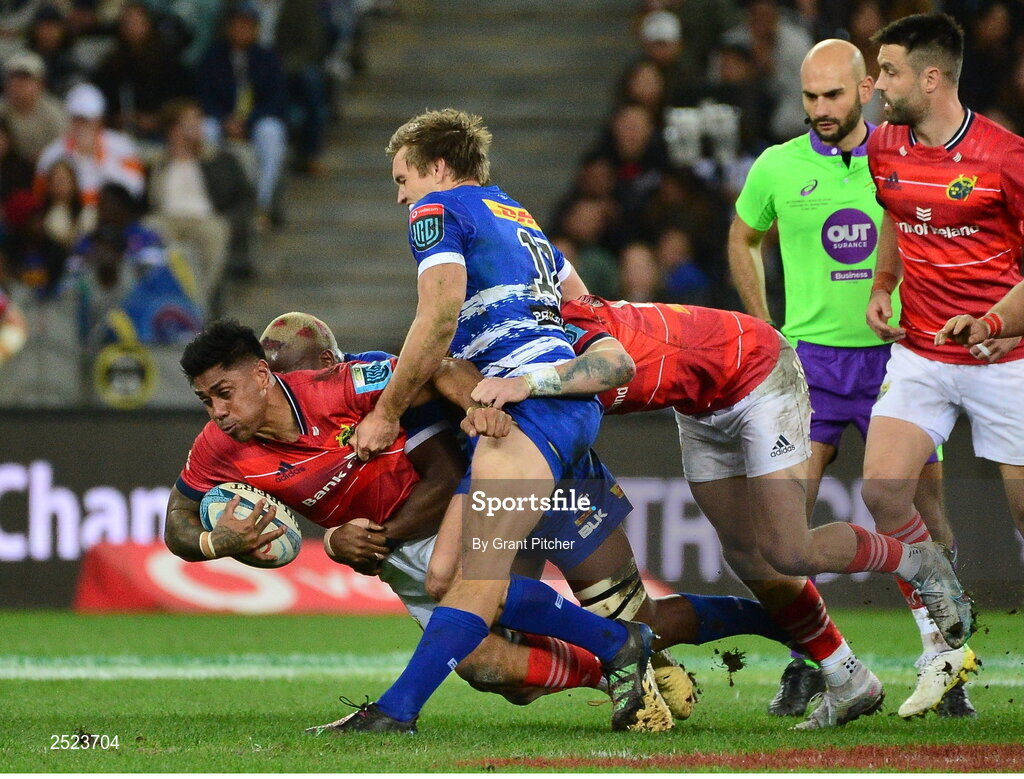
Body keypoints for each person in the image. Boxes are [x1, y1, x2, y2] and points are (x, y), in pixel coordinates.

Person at [472, 294, 975, 729]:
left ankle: (918, 561)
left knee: (788, 548)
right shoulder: (527, 339)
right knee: (749, 556)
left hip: (756, 367)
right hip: (700, 407)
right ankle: (847, 678)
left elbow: (616, 366)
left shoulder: (563, 340)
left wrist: (526, 385)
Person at [338, 109, 673, 734]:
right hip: (553, 403)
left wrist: (386, 412)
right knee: (444, 577)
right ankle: (618, 641)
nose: (400, 193)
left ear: (438, 167)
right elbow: (582, 307)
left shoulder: (436, 212)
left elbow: (436, 320)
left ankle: (396, 711)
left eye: (403, 176)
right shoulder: (521, 219)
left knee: (478, 579)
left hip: (532, 408)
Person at [728, 38, 976, 719]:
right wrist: (764, 326)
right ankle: (811, 661)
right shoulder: (777, 166)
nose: (820, 109)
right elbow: (741, 236)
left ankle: (945, 660)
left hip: (899, 359)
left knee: (926, 514)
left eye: (833, 95)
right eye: (809, 97)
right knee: (781, 532)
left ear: (867, 87)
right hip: (809, 368)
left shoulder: (907, 157)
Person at [864, 12, 1024, 719]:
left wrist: (991, 321)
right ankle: (943, 643)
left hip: (1003, 356)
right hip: (922, 350)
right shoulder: (885, 148)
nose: (879, 83)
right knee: (881, 492)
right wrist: (880, 284)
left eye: (890, 71)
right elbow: (896, 213)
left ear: (931, 78)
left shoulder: (1006, 157)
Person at [35, 83, 145, 206]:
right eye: (77, 120)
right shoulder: (52, 152)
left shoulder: (122, 145)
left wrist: (101, 158)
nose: (81, 127)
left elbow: (136, 189)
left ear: (99, 121)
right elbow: (39, 194)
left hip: (110, 213)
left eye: (86, 121)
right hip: (70, 214)